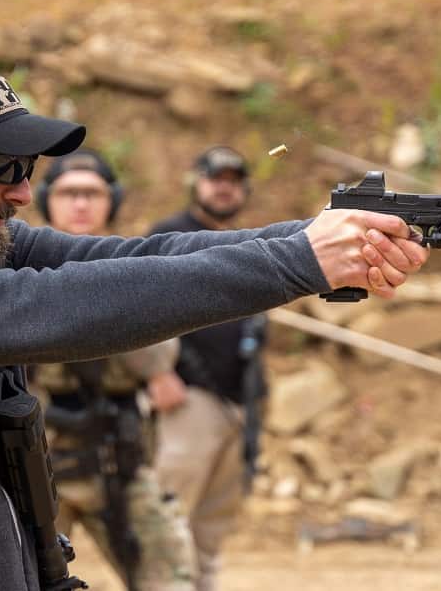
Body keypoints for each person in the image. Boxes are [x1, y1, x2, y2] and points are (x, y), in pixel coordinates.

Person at [0, 45, 429, 591]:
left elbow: (134, 258)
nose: (25, 192)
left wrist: (318, 235)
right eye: (2, 167)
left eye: (28, 165)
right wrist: (300, 263)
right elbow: (55, 310)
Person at [33, 148, 195, 590]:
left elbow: (159, 359)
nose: (80, 204)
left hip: (115, 460)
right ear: (48, 200)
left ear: (113, 201)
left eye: (92, 193)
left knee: (171, 579)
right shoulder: (19, 264)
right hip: (36, 466)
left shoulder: (136, 264)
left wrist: (111, 284)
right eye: (69, 194)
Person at [147, 145, 269, 591]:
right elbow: (142, 309)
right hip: (189, 400)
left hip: (239, 402)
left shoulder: (249, 241)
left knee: (212, 529)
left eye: (233, 181)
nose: (224, 188)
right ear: (195, 182)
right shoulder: (171, 236)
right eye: (216, 178)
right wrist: (157, 373)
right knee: (171, 517)